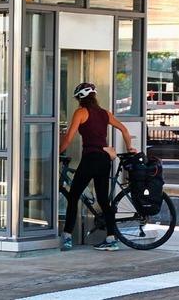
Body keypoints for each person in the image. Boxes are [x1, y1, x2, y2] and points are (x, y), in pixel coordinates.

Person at [59, 82, 137, 251]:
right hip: (104, 159)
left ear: (80, 98)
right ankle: (111, 240)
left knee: (73, 197)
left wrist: (57, 152)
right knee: (103, 200)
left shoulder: (80, 112)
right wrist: (130, 147)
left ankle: (66, 237)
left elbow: (68, 138)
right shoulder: (105, 114)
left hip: (90, 158)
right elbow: (123, 129)